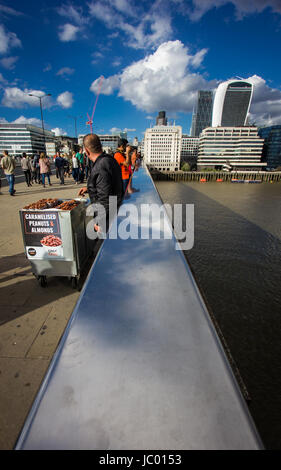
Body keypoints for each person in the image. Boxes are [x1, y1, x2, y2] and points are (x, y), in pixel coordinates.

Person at [78, 134, 123, 234]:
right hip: (115, 211)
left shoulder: (100, 166)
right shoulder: (110, 159)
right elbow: (107, 185)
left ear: (87, 150)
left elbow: (105, 198)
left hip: (107, 219)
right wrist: (89, 188)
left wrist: (99, 222)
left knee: (100, 248)